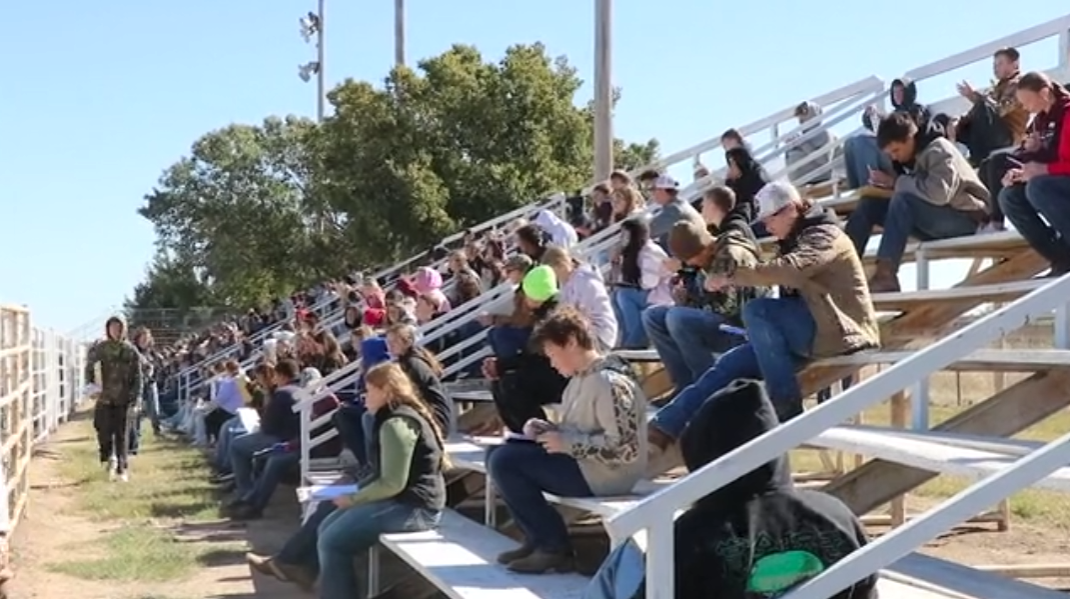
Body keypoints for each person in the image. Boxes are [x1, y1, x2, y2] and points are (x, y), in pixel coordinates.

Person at [583, 379, 878, 599]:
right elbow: (867, 589)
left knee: (625, 557)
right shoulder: (837, 515)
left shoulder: (693, 533)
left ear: (704, 450)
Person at [648, 182, 880, 461]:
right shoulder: (796, 237)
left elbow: (792, 271)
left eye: (770, 220)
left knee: (758, 310)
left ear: (791, 210)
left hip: (842, 331)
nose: (767, 228)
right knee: (728, 365)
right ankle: (665, 425)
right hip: (808, 330)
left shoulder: (825, 236)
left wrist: (732, 276)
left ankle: (785, 409)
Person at [247, 363, 446, 598]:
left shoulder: (396, 424)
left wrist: (353, 498)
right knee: (325, 525)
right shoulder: (387, 418)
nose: (364, 395)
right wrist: (349, 489)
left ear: (387, 391)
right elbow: (379, 473)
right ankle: (300, 569)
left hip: (415, 507)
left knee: (332, 541)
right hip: (400, 499)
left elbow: (393, 483)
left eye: (369, 390)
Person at [490, 307, 646, 574]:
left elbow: (625, 450)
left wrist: (568, 443)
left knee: (506, 462)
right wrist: (549, 430)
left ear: (571, 341)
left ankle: (553, 547)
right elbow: (580, 428)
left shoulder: (611, 383)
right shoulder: (578, 381)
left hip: (606, 474)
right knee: (499, 454)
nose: (551, 362)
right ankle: (538, 539)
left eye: (552, 353)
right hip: (584, 463)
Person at [862, 111, 989, 292]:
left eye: (896, 150)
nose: (894, 157)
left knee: (903, 200)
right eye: (890, 154)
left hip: (968, 220)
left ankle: (886, 275)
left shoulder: (938, 148)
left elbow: (939, 194)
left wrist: (897, 182)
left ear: (910, 138)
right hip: (941, 219)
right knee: (869, 205)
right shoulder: (913, 158)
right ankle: (843, 270)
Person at [480, 265, 569, 435]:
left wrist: (502, 365)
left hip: (560, 376)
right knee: (501, 383)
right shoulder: (545, 314)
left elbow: (538, 358)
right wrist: (501, 366)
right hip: (550, 371)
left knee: (512, 384)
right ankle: (521, 432)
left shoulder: (551, 318)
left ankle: (540, 433)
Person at [998, 71, 1070, 277]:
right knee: (1009, 197)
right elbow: (1044, 159)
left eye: (1027, 101)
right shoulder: (1040, 121)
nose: (1024, 107)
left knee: (1037, 187)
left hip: (1059, 181)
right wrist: (1022, 169)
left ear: (1044, 93)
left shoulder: (1068, 112)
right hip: (1056, 181)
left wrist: (1042, 170)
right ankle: (1060, 257)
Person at [228, 359, 301, 503]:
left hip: (279, 437)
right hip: (290, 435)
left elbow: (268, 426)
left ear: (281, 375)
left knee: (236, 446)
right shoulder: (297, 389)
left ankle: (246, 491)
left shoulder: (282, 393)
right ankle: (248, 490)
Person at [84, 315, 143, 482]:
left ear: (124, 329)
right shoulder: (100, 349)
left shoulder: (130, 350)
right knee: (102, 430)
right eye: (113, 328)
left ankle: (121, 468)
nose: (116, 331)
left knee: (122, 434)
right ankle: (109, 457)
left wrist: (137, 397)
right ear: (108, 329)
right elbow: (89, 368)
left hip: (124, 398)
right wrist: (91, 387)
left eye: (119, 328)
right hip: (104, 397)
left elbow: (138, 375)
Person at [542, 245, 619, 352]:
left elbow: (579, 315)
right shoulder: (567, 282)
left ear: (561, 265)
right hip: (584, 331)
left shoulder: (584, 281)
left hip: (600, 333)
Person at [611, 218, 673, 349]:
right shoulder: (633, 252)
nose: (623, 238)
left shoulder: (650, 252)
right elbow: (620, 279)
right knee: (616, 296)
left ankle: (636, 342)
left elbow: (650, 283)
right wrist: (616, 263)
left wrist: (629, 285)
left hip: (662, 294)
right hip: (647, 291)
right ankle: (627, 339)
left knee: (625, 296)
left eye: (625, 234)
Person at [646, 175, 705, 249]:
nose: (652, 194)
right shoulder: (681, 204)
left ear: (662, 190)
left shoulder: (673, 210)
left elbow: (647, 231)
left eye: (653, 190)